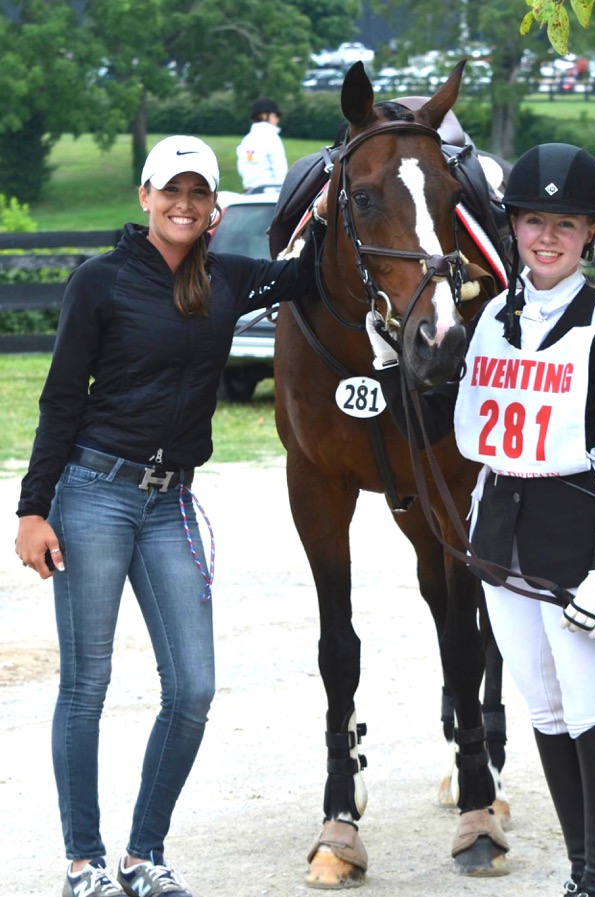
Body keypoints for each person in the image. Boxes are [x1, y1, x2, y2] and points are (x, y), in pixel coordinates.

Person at [14, 134, 326, 897]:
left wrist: (333, 202)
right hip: (92, 493)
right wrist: (31, 508)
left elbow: (308, 277)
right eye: (171, 192)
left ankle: (142, 856)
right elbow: (61, 399)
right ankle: (83, 860)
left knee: (191, 687)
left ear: (214, 209)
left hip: (170, 504)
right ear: (146, 198)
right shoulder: (100, 281)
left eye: (198, 194)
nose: (183, 205)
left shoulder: (227, 279)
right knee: (86, 685)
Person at [366, 143, 595, 897]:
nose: (547, 237)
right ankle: (582, 874)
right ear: (515, 228)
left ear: (589, 232)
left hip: (577, 534)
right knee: (549, 711)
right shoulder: (488, 316)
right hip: (499, 533)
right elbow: (449, 417)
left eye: (566, 223)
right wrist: (393, 364)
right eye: (533, 221)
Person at [235, 97, 288, 192]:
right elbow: (280, 170)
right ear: (264, 116)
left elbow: (242, 169)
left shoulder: (246, 140)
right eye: (275, 116)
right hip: (270, 195)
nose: (277, 120)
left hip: (249, 192)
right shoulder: (272, 137)